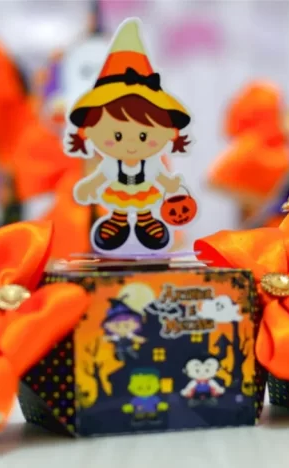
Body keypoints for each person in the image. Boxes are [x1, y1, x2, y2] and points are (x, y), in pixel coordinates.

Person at [64, 18, 193, 253]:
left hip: (145, 207)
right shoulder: (74, 163)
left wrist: (171, 185)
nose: (131, 143)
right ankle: (117, 226)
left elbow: (161, 177)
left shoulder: (153, 160)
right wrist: (88, 186)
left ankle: (145, 227)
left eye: (143, 134)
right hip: (102, 216)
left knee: (146, 218)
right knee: (116, 217)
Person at [101, 296, 146, 361]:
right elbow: (106, 339)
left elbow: (140, 339)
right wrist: (111, 338)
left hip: (129, 348)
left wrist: (136, 338)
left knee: (133, 354)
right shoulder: (116, 336)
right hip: (119, 349)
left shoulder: (130, 335)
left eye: (126, 325)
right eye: (117, 326)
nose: (122, 328)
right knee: (120, 354)